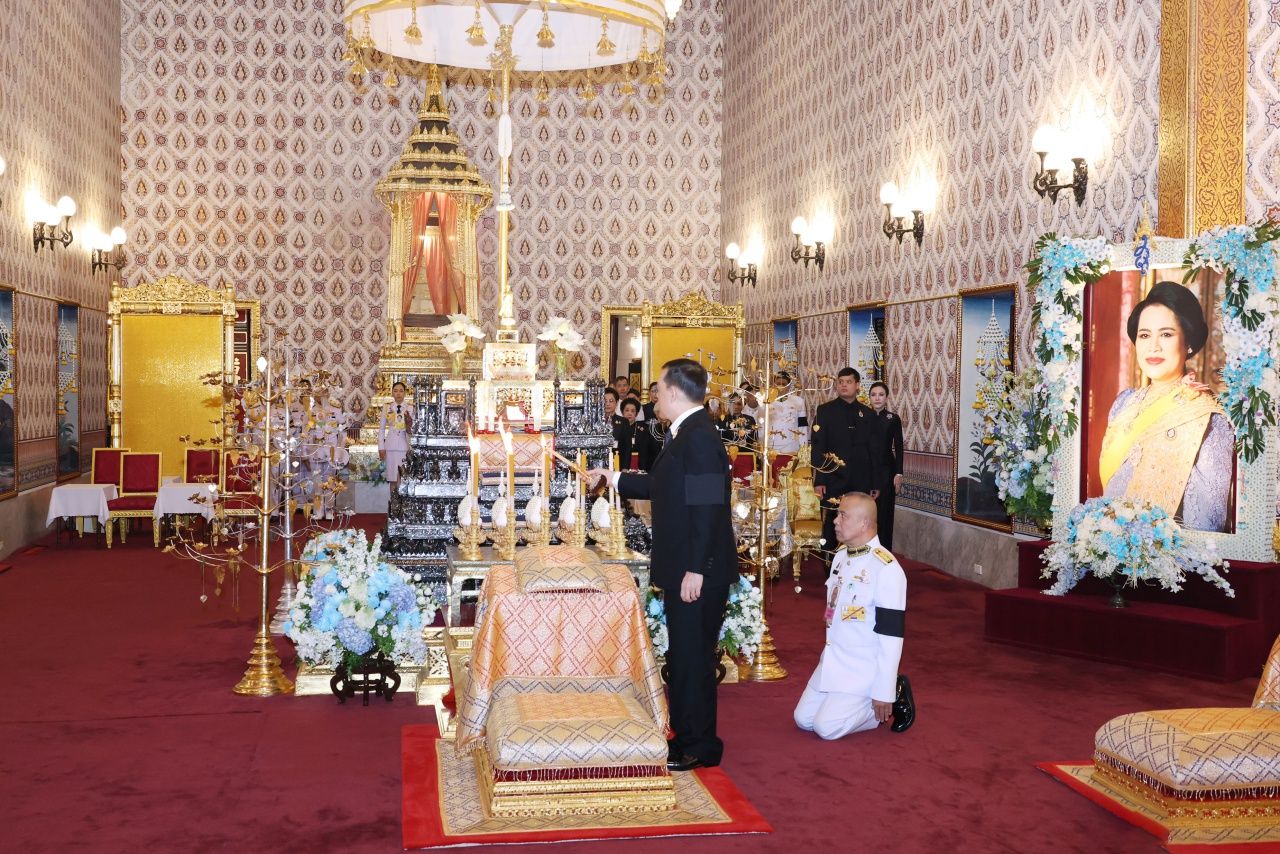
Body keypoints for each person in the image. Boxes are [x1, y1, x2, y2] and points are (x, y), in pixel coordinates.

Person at [587, 358, 736, 772]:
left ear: (673, 391)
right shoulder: (685, 432)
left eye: (657, 390)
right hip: (687, 565)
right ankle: (688, 735)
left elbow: (708, 507)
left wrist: (697, 569)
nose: (653, 397)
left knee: (693, 658)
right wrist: (611, 477)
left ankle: (699, 745)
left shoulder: (700, 436)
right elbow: (659, 484)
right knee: (686, 656)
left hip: (697, 570)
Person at [1098, 281, 1233, 532]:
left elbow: (1207, 521)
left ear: (1188, 342)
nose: (1154, 346)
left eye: (1167, 334)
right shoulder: (1123, 404)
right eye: (1145, 335)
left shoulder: (1208, 416)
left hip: (1168, 559)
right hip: (1108, 549)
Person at [794, 492, 914, 739]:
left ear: (864, 523)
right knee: (803, 720)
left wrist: (884, 690)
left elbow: (891, 637)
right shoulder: (840, 556)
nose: (835, 521)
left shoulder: (886, 569)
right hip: (834, 660)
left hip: (863, 670)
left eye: (842, 515)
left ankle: (895, 691)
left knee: (826, 728)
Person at [811, 368, 883, 566]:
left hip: (861, 480)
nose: (843, 385)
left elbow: (874, 452)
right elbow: (818, 448)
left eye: (848, 381)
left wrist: (875, 483)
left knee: (860, 524)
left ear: (857, 385)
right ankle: (830, 566)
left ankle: (860, 565)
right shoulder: (825, 411)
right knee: (833, 524)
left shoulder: (868, 414)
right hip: (833, 479)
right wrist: (819, 480)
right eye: (840, 381)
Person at [867, 381, 904, 550]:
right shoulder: (863, 417)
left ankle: (884, 553)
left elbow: (899, 447)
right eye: (873, 394)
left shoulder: (893, 419)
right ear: (869, 397)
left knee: (885, 515)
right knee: (866, 513)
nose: (877, 398)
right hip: (866, 471)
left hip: (886, 472)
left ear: (887, 398)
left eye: (881, 395)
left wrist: (899, 473)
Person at [765, 371, 806, 477]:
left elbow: (802, 426)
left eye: (784, 384)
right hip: (772, 448)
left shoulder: (798, 401)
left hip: (791, 448)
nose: (781, 386)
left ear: (789, 385)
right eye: (778, 383)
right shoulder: (767, 401)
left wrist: (803, 448)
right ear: (774, 384)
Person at [379, 381, 412, 488]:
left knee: (403, 478)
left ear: (405, 393)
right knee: (392, 478)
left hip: (404, 446)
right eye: (396, 391)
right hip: (390, 446)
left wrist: (409, 424)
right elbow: (382, 428)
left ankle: (403, 504)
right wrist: (381, 447)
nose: (398, 393)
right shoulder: (387, 407)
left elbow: (413, 429)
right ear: (392, 393)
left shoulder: (410, 408)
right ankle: (393, 504)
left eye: (401, 391)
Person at [615, 396, 644, 470]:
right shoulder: (618, 428)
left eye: (632, 411)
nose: (629, 413)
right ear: (622, 412)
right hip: (620, 462)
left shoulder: (642, 430)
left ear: (636, 414)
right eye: (627, 410)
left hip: (638, 464)